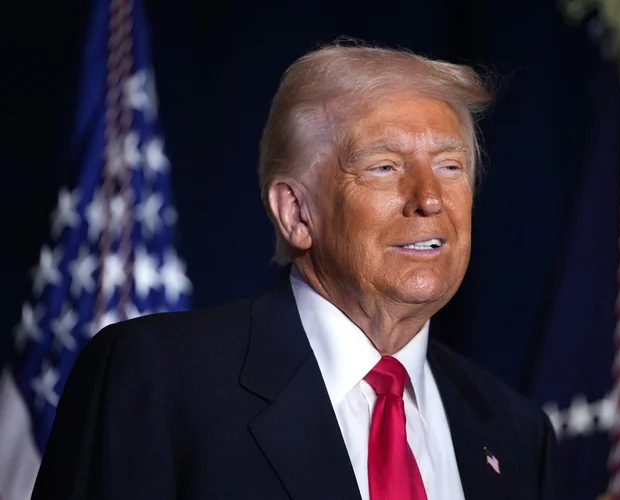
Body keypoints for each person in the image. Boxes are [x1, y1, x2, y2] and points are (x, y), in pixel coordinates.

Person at [32, 42, 558, 500]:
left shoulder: (515, 431)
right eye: (384, 166)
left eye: (450, 166)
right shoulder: (154, 380)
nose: (429, 199)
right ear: (296, 213)